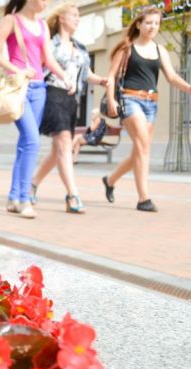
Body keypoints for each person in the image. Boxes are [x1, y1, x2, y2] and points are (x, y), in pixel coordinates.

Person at [103, 6, 191, 212]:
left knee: (140, 150)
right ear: (138, 24)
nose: (152, 27)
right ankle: (143, 199)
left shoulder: (159, 50)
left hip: (151, 103)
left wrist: (189, 88)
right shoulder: (126, 48)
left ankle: (110, 180)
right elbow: (111, 76)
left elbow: (171, 77)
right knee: (144, 147)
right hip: (130, 99)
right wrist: (111, 99)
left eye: (156, 23)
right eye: (148, 23)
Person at [0, 0, 72, 219]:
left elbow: (48, 58)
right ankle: (25, 199)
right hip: (19, 89)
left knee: (25, 144)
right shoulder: (11, 21)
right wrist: (17, 69)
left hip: (39, 89)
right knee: (33, 141)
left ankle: (13, 197)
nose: (46, 2)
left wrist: (65, 77)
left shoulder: (42, 25)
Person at [30, 2, 108, 214]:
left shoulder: (80, 48)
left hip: (72, 100)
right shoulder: (50, 44)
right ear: (61, 18)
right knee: (65, 145)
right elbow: (39, 67)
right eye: (73, 14)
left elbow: (85, 74)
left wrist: (101, 80)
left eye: (78, 15)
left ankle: (33, 183)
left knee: (58, 150)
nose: (77, 18)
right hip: (53, 94)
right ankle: (73, 195)